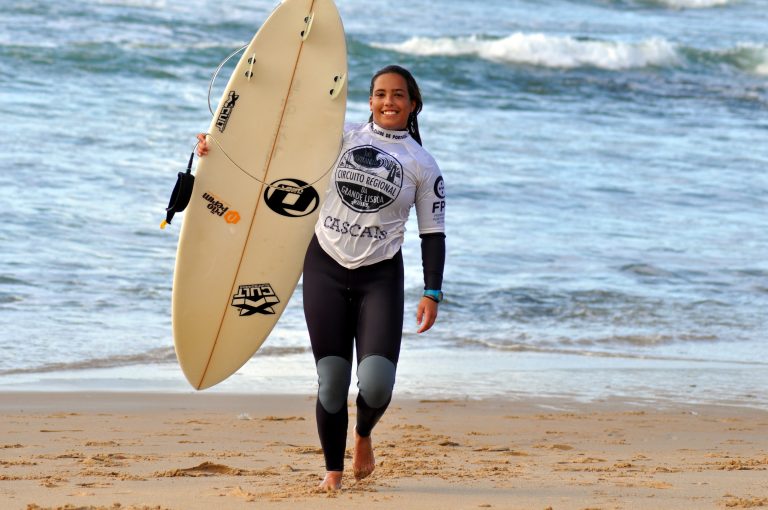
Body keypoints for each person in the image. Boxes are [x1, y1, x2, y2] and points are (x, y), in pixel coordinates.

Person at [197, 65, 446, 491]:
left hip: (380, 275)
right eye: (380, 94)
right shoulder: (341, 137)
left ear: (413, 104)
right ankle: (333, 472)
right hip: (325, 265)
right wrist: (215, 146)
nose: (388, 101)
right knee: (332, 381)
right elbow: (274, 147)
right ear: (370, 101)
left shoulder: (423, 165)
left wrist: (432, 291)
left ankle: (363, 434)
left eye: (398, 95)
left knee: (377, 385)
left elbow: (433, 234)